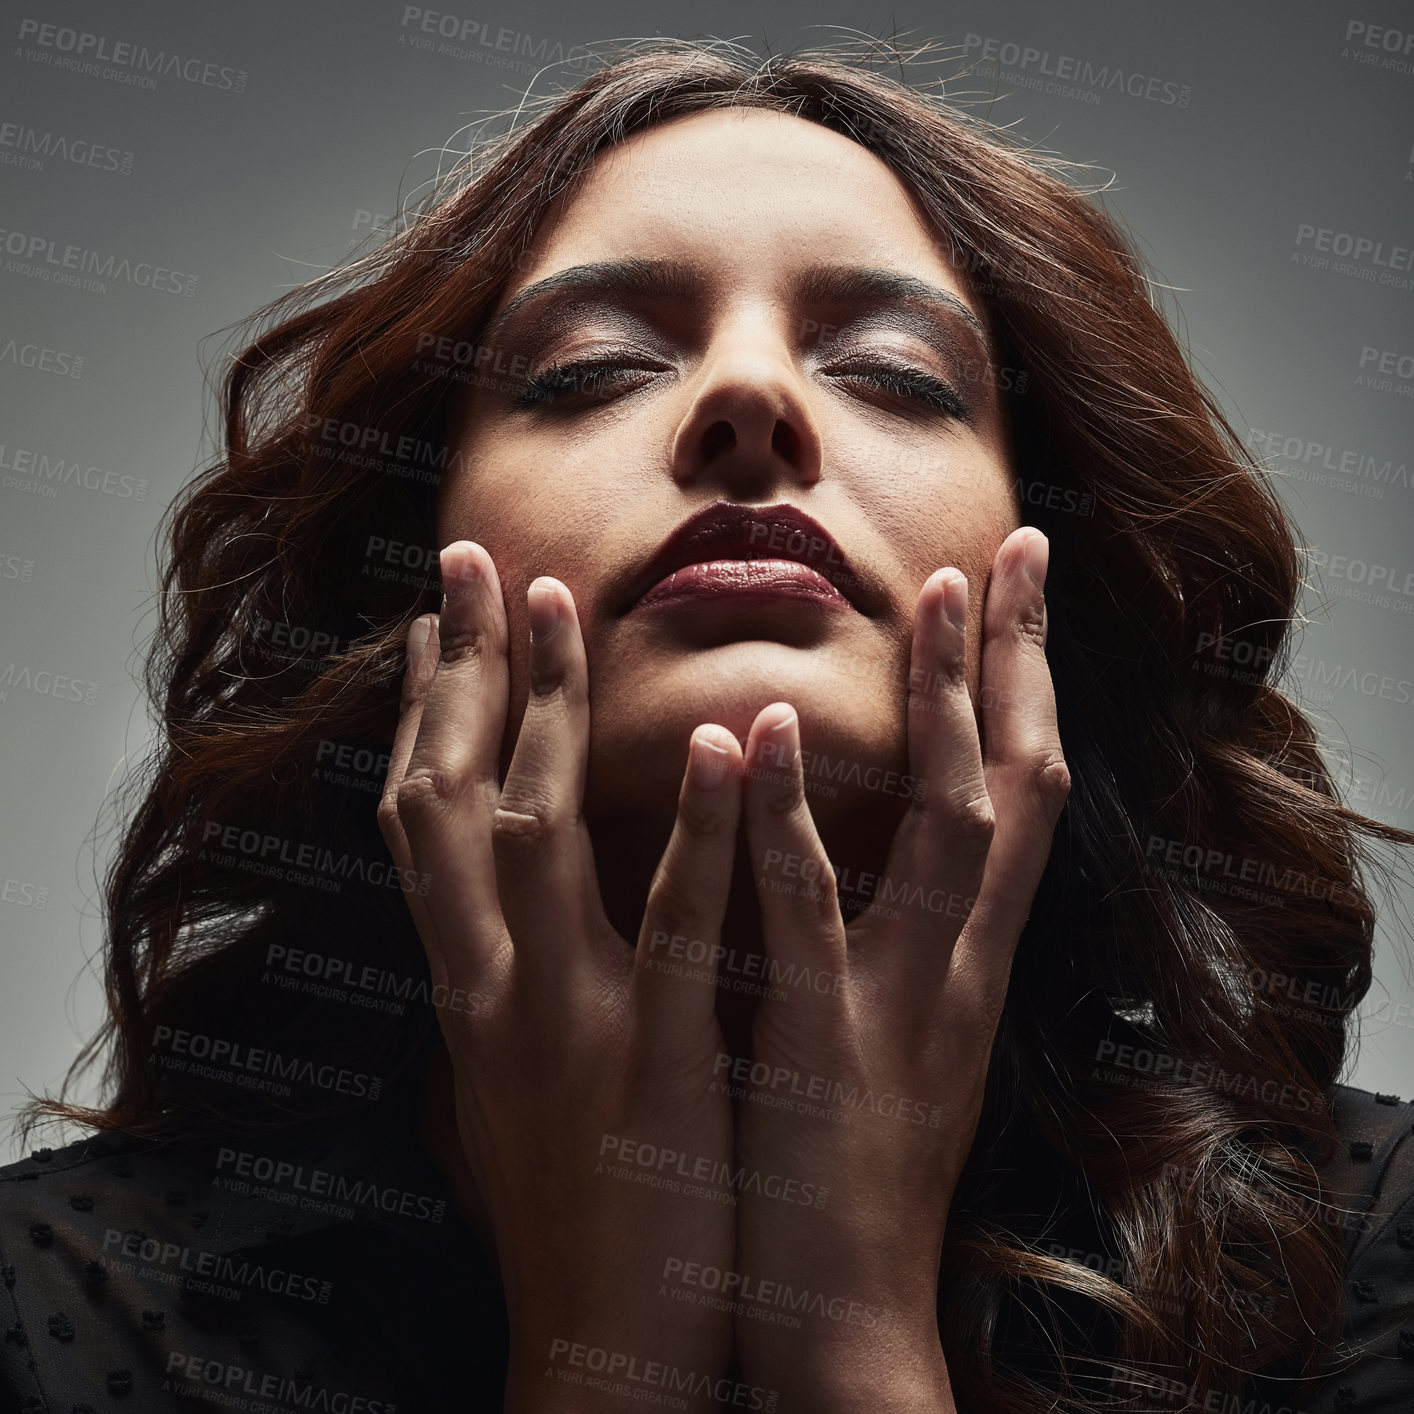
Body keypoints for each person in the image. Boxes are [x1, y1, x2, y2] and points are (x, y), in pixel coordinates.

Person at [2, 36, 1411, 1414]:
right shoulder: (52, 1301)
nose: (750, 397)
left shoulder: (1359, 1260)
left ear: (1046, 582)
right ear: (411, 576)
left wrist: (852, 1335)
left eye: (899, 372)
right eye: (589, 367)